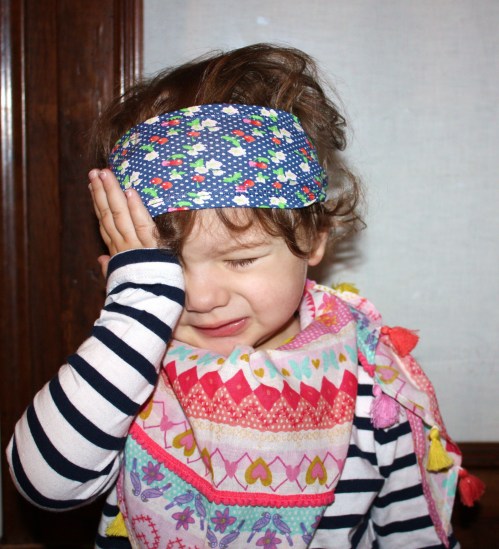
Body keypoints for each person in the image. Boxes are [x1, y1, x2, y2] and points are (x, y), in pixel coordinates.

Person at [6, 43, 478, 548]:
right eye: (166, 267)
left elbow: (412, 535)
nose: (201, 297)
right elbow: (46, 485)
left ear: (314, 238)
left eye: (240, 259)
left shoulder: (375, 384)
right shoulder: (125, 373)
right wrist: (136, 309)